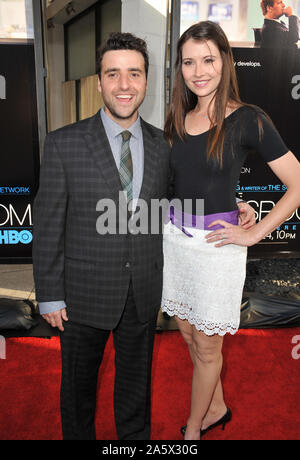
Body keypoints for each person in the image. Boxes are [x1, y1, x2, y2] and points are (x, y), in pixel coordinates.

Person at [32, 31, 255, 441]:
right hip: (81, 295)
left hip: (142, 291)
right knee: (78, 394)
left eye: (134, 74)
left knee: (135, 393)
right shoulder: (64, 144)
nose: (123, 85)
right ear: (99, 81)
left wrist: (234, 204)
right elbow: (47, 226)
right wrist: (49, 293)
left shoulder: (163, 143)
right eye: (112, 74)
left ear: (146, 82)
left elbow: (178, 197)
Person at [161, 20, 300, 441]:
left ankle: (191, 434)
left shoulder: (248, 119)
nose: (199, 71)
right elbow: (183, 182)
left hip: (217, 247)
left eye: (208, 59)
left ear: (225, 61)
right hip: (176, 242)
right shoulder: (179, 118)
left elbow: (297, 183)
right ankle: (216, 405)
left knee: (207, 347)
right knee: (186, 332)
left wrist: (255, 233)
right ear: (180, 68)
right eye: (189, 62)